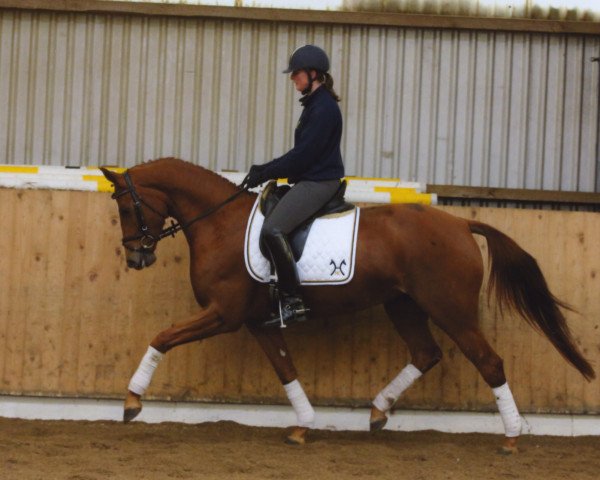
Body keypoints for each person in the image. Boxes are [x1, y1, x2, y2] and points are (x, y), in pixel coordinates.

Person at [243, 44, 345, 327]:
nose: (292, 78)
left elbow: (302, 157)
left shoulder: (323, 108)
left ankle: (292, 301)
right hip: (312, 178)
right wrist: (266, 169)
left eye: (296, 73)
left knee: (274, 229)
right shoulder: (315, 105)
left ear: (313, 74)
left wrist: (267, 171)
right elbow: (299, 156)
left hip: (319, 182)